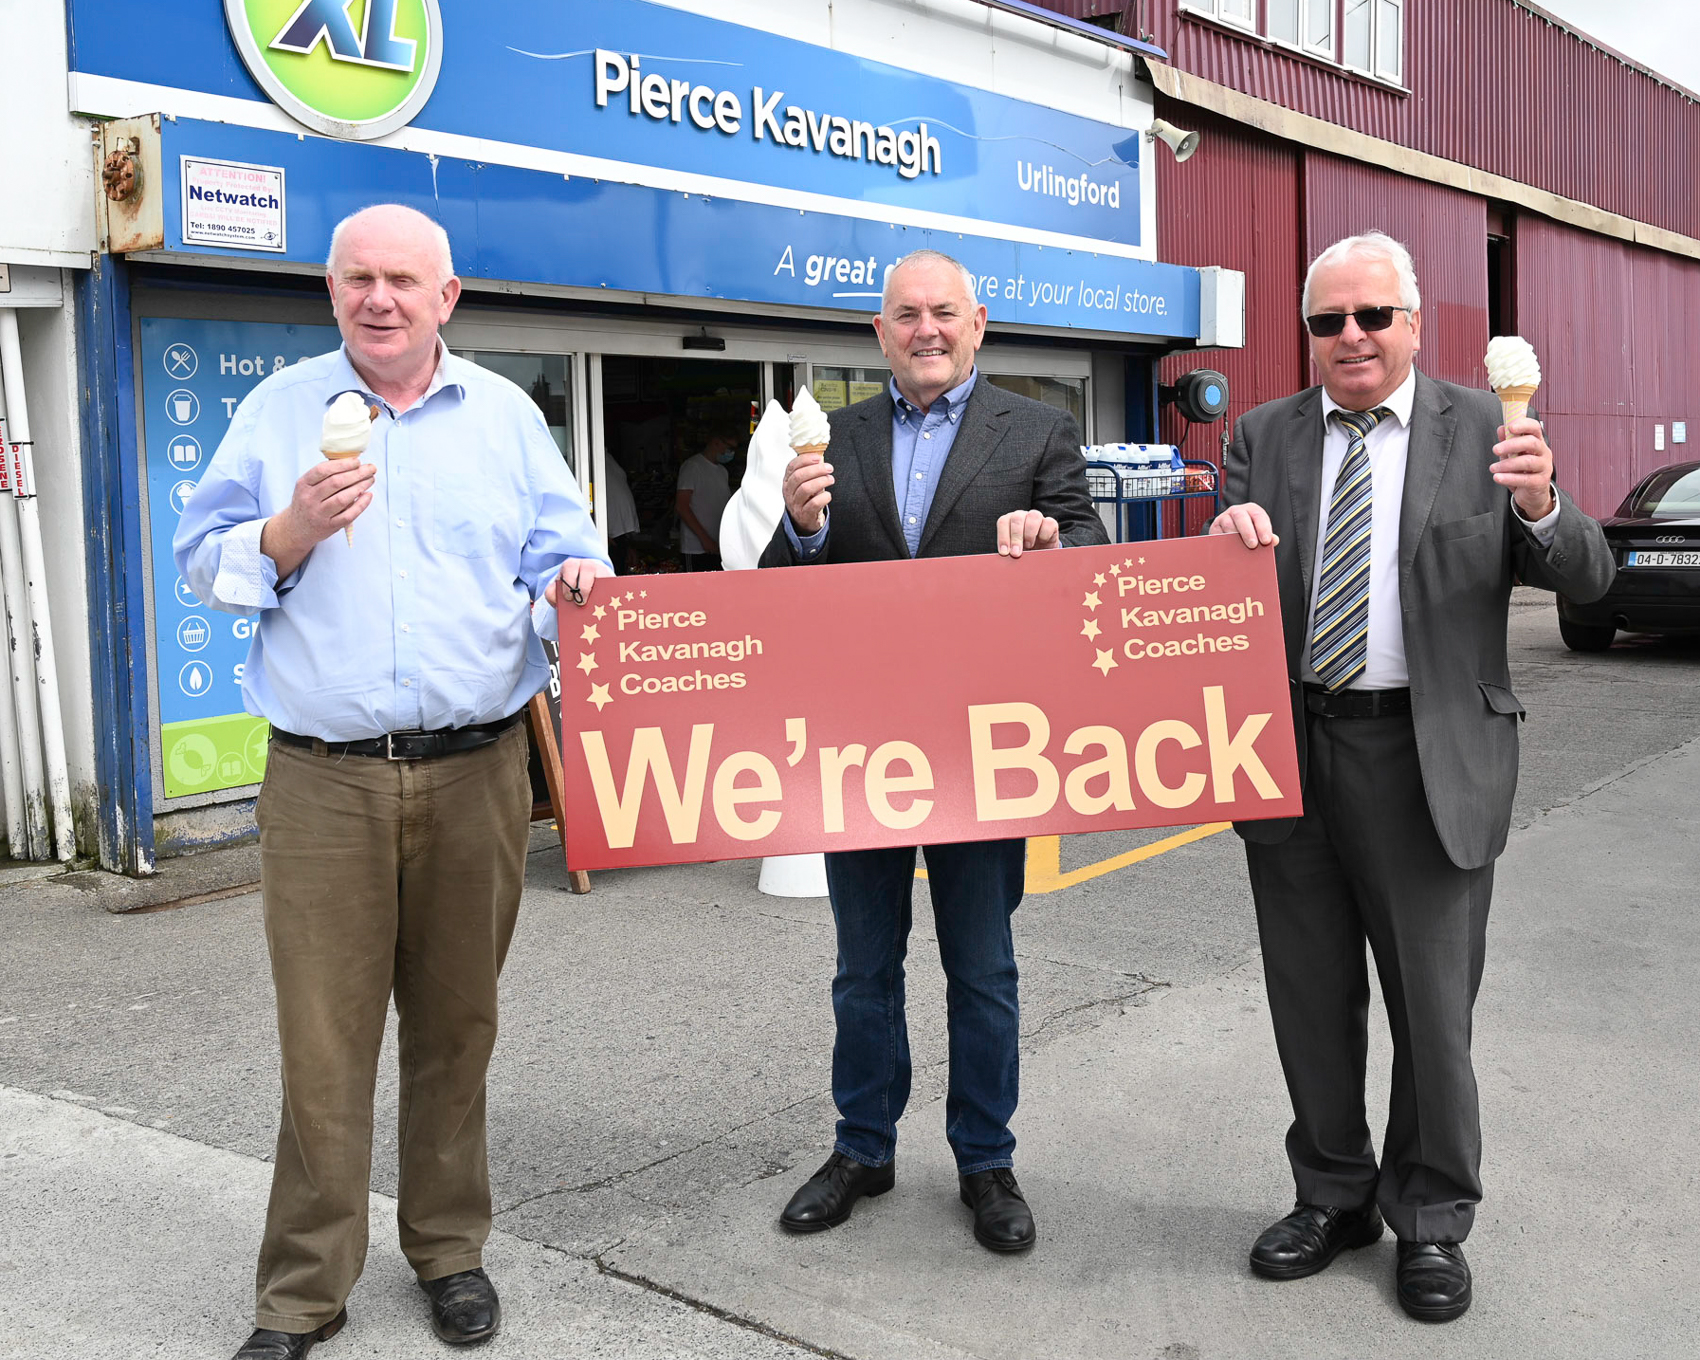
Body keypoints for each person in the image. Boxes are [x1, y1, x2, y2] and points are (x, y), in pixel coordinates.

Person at [174, 203, 610, 1360]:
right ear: (331, 291)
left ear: (444, 297)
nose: (379, 298)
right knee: (323, 1043)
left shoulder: (506, 418)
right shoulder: (277, 412)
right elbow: (201, 561)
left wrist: (573, 582)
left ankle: (448, 1249)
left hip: (480, 771)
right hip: (324, 783)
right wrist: (288, 530)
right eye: (357, 277)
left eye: (402, 280)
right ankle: (301, 1291)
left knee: (458, 1026)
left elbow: (565, 559)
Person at [1208, 231, 1612, 1322]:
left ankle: (1430, 1216)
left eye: (1372, 315)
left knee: (1431, 1012)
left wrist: (1541, 506)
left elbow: (1585, 575)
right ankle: (1332, 1194)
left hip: (1426, 758)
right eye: (1327, 320)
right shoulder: (1260, 436)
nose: (1350, 336)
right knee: (1308, 995)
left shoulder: (1487, 428)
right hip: (1290, 751)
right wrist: (1222, 534)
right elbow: (1219, 594)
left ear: (1414, 324)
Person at [760, 249, 1107, 1253]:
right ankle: (861, 1148)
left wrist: (1053, 539)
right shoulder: (834, 437)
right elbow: (776, 593)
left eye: (943, 312)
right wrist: (802, 527)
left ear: (977, 323)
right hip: (860, 752)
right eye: (906, 314)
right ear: (879, 333)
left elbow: (1089, 556)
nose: (926, 329)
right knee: (861, 969)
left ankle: (985, 1159)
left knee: (982, 968)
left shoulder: (1036, 430)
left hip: (982, 751)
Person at [675, 431, 734, 570]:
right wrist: (705, 539)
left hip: (718, 547)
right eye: (730, 447)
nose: (731, 453)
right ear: (716, 442)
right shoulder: (692, 466)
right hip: (695, 548)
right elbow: (682, 507)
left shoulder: (723, 471)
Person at [601, 452, 640, 573]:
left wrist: (629, 544)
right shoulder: (587, 455)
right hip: (606, 535)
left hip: (618, 533)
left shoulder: (606, 456)